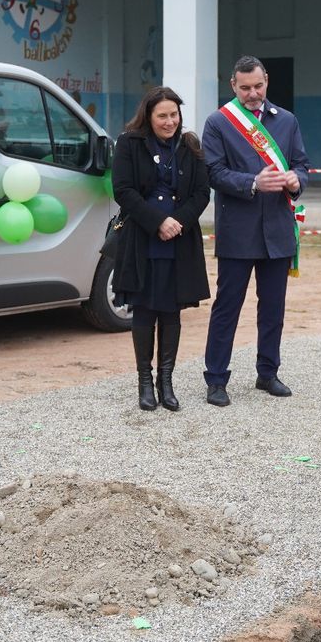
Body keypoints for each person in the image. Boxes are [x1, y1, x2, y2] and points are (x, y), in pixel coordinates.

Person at [199, 55, 311, 407]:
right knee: (227, 307)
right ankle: (216, 379)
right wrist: (252, 183)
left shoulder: (287, 121)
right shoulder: (219, 122)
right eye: (245, 88)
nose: (252, 93)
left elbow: (301, 164)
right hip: (238, 230)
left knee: (273, 307)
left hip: (277, 229)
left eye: (258, 86)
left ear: (267, 82)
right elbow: (213, 172)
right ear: (233, 85)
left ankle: (268, 372)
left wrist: (296, 181)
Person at [110, 87, 213, 411]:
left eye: (174, 115)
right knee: (144, 310)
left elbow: (201, 192)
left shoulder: (190, 146)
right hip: (142, 239)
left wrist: (176, 222)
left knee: (171, 312)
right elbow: (123, 191)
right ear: (148, 116)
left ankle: (166, 382)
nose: (170, 122)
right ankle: (145, 382)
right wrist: (158, 222)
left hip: (179, 242)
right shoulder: (129, 143)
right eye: (162, 116)